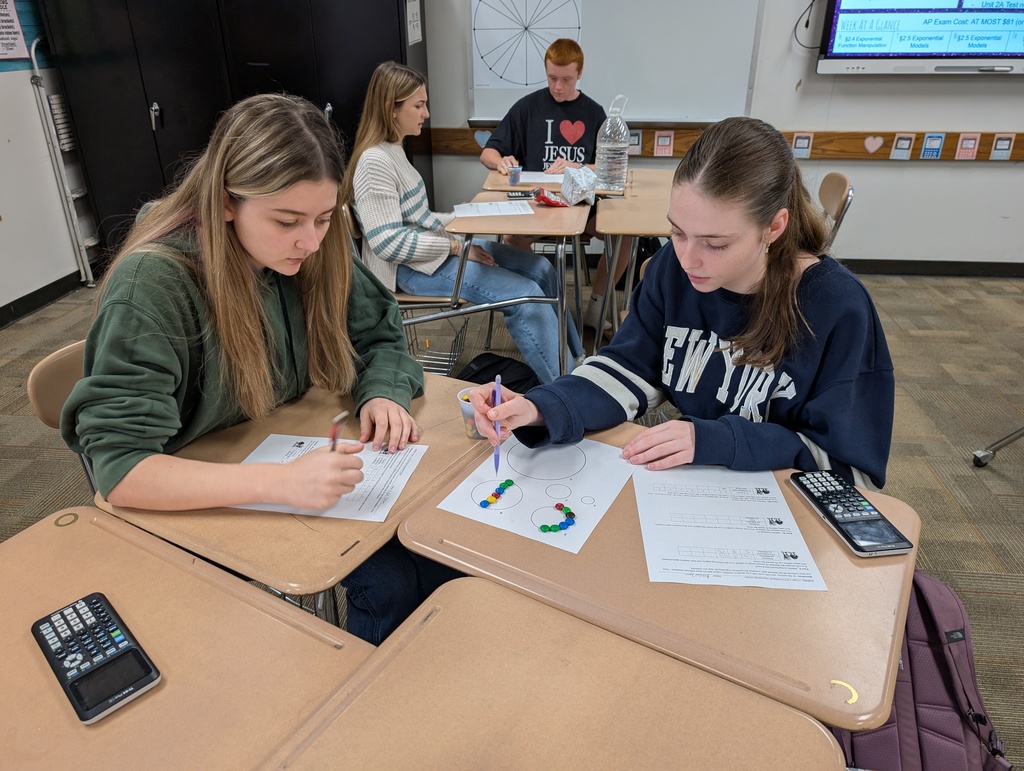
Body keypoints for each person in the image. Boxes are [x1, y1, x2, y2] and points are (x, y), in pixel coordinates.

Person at [61, 93, 458, 644]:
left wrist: (384, 393)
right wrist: (280, 483)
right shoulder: (155, 282)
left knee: (429, 551)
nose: (311, 241)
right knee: (388, 582)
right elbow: (123, 471)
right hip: (199, 492)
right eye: (288, 220)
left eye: (324, 218)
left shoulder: (314, 244)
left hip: (274, 444)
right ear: (226, 202)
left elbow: (380, 335)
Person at [469, 117, 895, 490]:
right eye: (677, 232)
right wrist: (542, 406)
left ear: (774, 227)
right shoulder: (675, 268)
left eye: (716, 243)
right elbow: (629, 367)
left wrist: (714, 441)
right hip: (690, 495)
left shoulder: (837, 308)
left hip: (775, 516)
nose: (688, 259)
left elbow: (850, 472)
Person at [343, 60, 583, 384]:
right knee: (525, 297)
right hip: (411, 269)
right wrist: (456, 246)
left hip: (434, 253)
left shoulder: (393, 150)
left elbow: (419, 218)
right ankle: (567, 391)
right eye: (419, 105)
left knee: (542, 269)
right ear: (391, 108)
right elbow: (387, 243)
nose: (426, 113)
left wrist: (468, 215)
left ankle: (578, 362)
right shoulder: (375, 162)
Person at [479, 37, 629, 333]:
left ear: (579, 74)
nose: (558, 86)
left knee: (622, 234)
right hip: (539, 206)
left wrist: (578, 166)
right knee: (512, 237)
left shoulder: (594, 112)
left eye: (566, 79)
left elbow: (610, 166)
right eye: (552, 78)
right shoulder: (528, 108)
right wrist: (500, 161)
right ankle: (542, 302)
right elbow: (487, 152)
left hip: (583, 207)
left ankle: (596, 307)